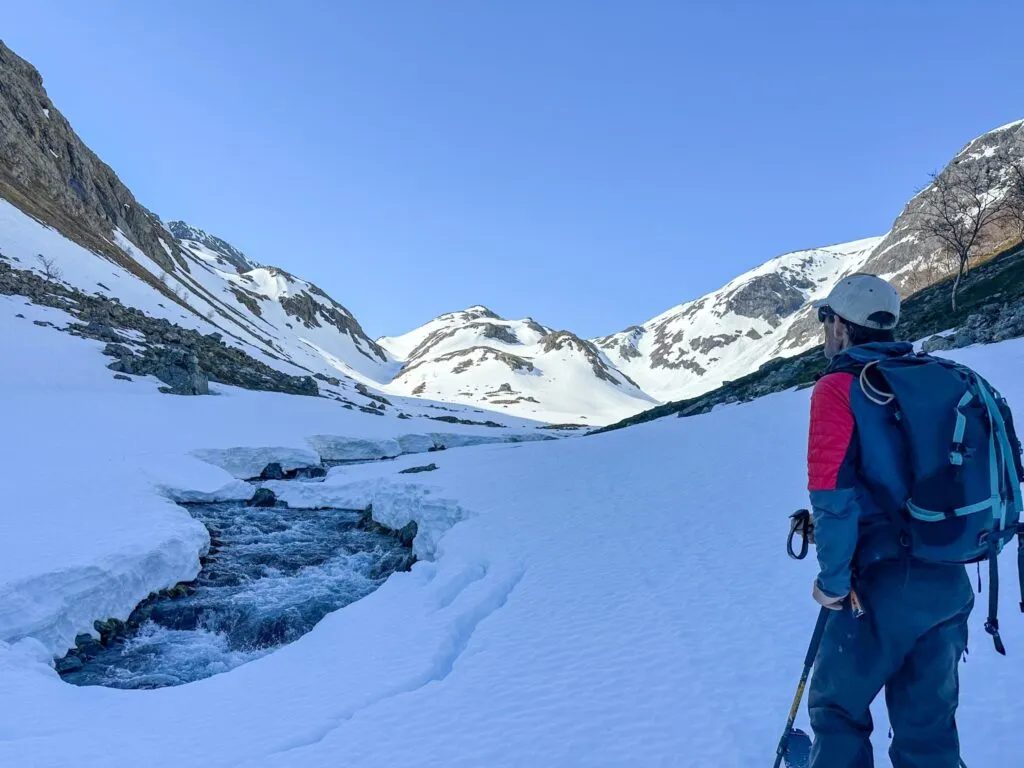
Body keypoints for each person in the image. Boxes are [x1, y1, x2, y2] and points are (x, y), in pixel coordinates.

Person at [805, 273, 974, 768]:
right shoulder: (932, 377)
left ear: (839, 325)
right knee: (929, 729)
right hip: (949, 575)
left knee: (838, 711)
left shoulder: (838, 388)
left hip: (879, 586)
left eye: (825, 319)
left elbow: (832, 499)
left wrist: (833, 582)